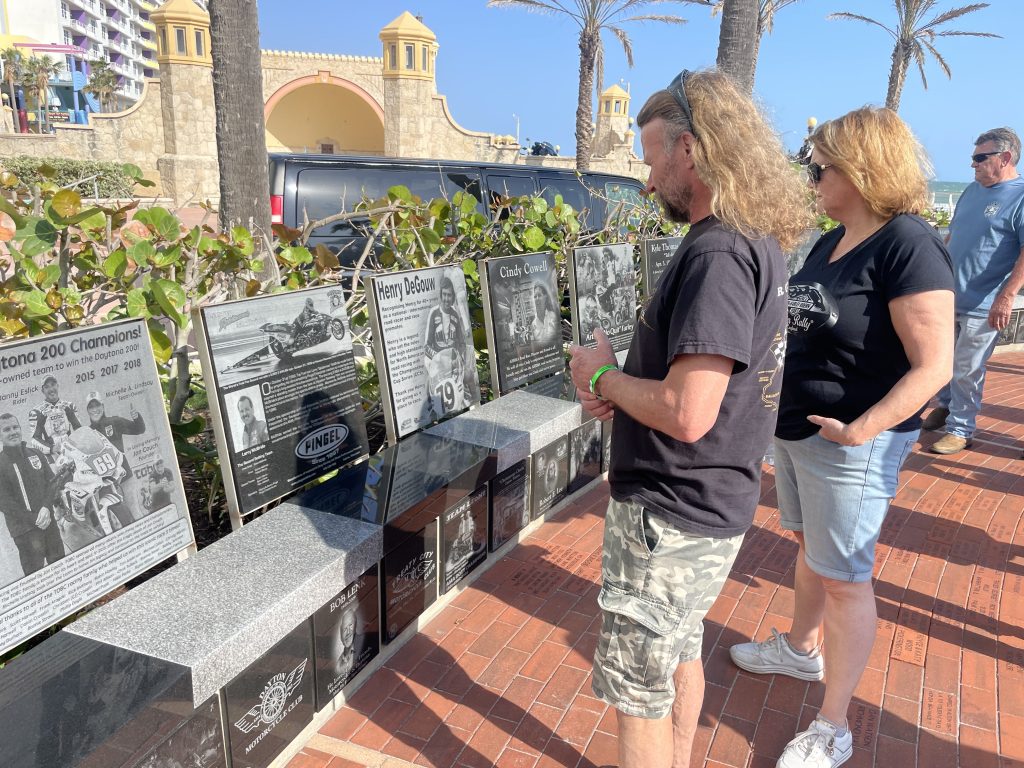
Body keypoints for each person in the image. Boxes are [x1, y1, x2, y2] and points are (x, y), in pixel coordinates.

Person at [567, 69, 809, 768]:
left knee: (639, 691)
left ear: (693, 152)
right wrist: (623, 384)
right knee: (677, 648)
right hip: (705, 508)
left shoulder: (720, 254)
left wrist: (604, 377)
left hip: (669, 516)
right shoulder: (752, 239)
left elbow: (688, 410)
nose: (646, 182)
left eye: (649, 160)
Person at [729, 107, 954, 768]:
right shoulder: (832, 243)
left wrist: (863, 428)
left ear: (858, 171)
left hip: (850, 444)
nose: (810, 176)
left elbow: (936, 364)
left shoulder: (907, 242)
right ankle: (801, 652)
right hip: (800, 435)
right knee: (814, 553)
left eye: (818, 167)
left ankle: (834, 726)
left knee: (847, 580)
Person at [921, 127, 1024, 454]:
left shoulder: (1020, 196)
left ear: (1005, 158)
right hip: (948, 297)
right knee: (943, 361)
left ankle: (961, 429)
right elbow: (953, 237)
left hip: (985, 303)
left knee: (967, 369)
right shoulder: (971, 191)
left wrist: (1006, 296)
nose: (973, 165)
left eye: (981, 158)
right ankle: (948, 406)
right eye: (973, 158)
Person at [0, 413, 66, 576]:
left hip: (48, 522)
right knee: (36, 578)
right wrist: (34, 518)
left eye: (15, 427)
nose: (13, 432)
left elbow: (52, 483)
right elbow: (5, 503)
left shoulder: (36, 454)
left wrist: (46, 507)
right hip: (25, 530)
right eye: (7, 429)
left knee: (61, 570)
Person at [423, 276, 470, 414]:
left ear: (453, 297)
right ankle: (431, 410)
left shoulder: (455, 315)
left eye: (449, 295)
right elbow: (427, 345)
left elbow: (461, 343)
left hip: (453, 364)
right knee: (429, 385)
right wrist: (438, 359)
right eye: (444, 294)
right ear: (440, 295)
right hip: (437, 363)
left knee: (467, 378)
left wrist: (458, 358)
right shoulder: (434, 313)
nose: (446, 299)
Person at [28, 376, 81, 460]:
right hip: (53, 455)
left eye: (53, 385)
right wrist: (51, 448)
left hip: (71, 450)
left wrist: (78, 444)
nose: (51, 389)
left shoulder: (69, 406)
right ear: (43, 391)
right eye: (47, 387)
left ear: (57, 386)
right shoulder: (37, 412)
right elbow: (34, 440)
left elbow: (79, 429)